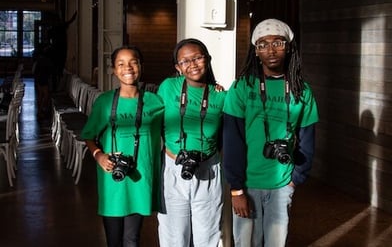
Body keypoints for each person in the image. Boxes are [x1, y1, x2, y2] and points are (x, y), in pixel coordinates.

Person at [223, 18, 319, 247]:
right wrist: (236, 190)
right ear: (256, 51)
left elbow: (308, 139)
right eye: (263, 44)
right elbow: (232, 141)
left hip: (282, 184)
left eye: (278, 42)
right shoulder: (241, 87)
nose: (271, 50)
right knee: (246, 243)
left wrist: (295, 180)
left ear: (289, 48)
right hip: (247, 183)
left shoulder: (301, 90)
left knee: (276, 243)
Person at [81, 45, 164, 247]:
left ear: (141, 66)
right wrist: (99, 155)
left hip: (141, 176)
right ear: (114, 69)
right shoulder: (105, 102)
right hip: (113, 178)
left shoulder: (155, 101)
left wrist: (213, 87)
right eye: (121, 64)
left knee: (132, 239)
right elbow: (89, 135)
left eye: (133, 62)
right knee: (113, 239)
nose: (128, 68)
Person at [157, 38, 226, 247]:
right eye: (185, 61)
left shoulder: (220, 95)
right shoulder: (168, 87)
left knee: (208, 236)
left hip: (208, 169)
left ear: (207, 59)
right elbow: (157, 123)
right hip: (173, 169)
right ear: (178, 67)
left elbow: (225, 136)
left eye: (197, 57)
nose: (192, 64)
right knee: (174, 238)